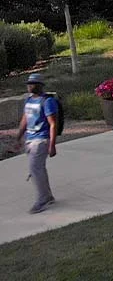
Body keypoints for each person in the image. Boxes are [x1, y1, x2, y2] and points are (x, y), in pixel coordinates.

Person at [16, 73, 57, 214]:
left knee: (35, 170)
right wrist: (18, 137)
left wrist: (52, 145)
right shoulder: (28, 100)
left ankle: (42, 200)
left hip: (41, 140)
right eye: (28, 83)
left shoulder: (47, 101)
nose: (29, 86)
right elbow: (25, 119)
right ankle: (48, 196)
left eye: (32, 83)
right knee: (39, 170)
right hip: (29, 139)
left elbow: (53, 124)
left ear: (40, 86)